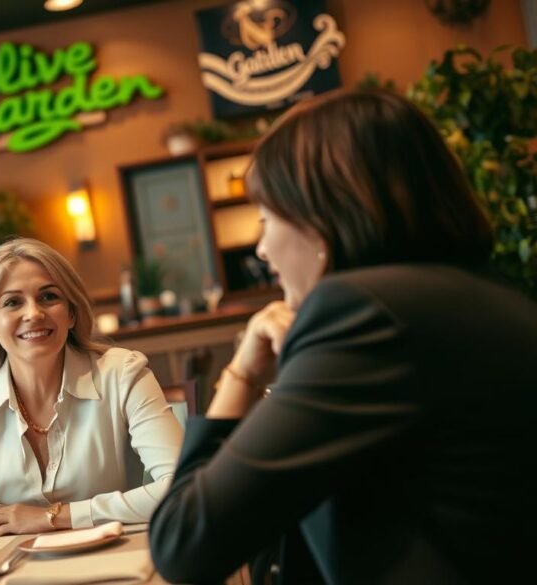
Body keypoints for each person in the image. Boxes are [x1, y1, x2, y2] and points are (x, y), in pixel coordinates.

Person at [149, 89, 537, 584]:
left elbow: (185, 543)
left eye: (266, 219)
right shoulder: (483, 294)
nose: (263, 250)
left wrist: (242, 374)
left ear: (320, 217)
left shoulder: (362, 315)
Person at [0, 238, 183, 538]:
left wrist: (57, 517)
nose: (34, 313)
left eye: (49, 297)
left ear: (72, 314)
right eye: (12, 302)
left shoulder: (122, 373)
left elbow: (181, 485)